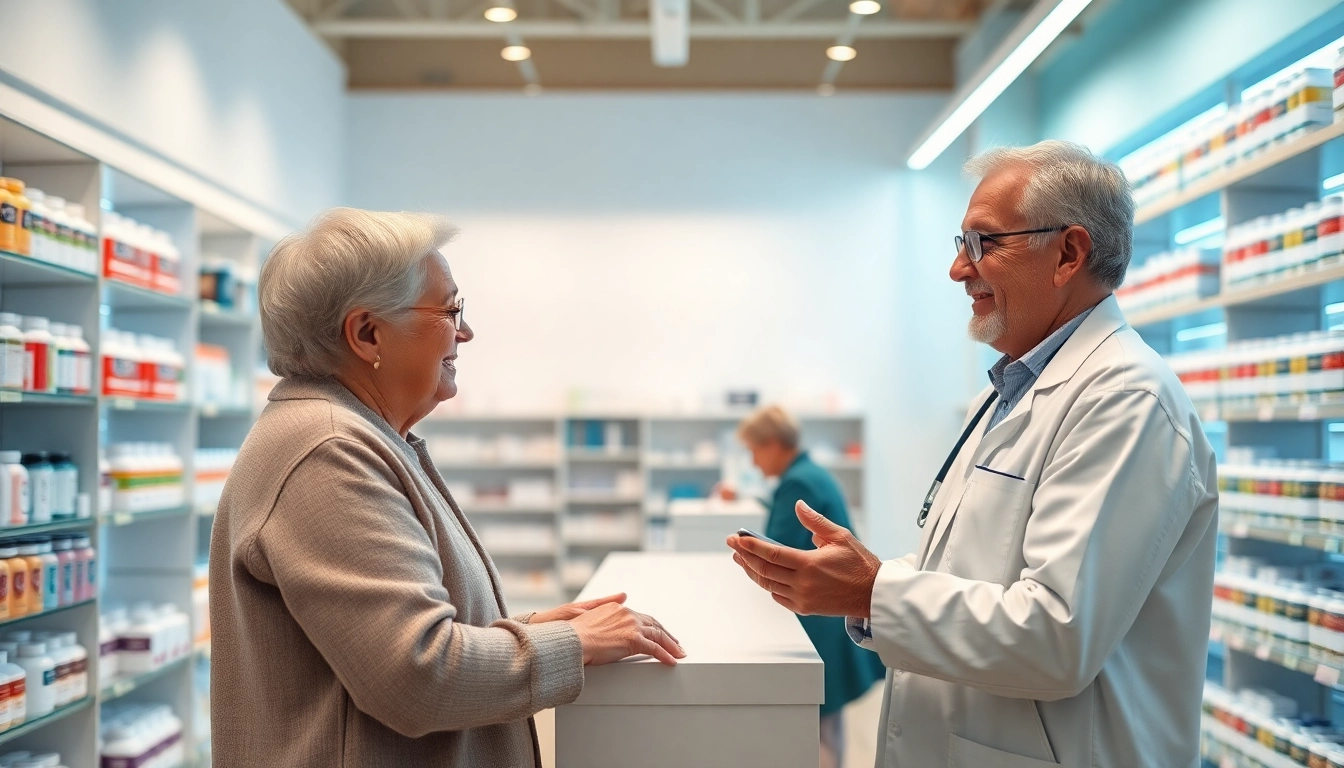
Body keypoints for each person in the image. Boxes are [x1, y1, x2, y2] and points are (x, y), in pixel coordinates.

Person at [727, 140, 1218, 767]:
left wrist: (873, 591)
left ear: (1068, 253)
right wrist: (871, 583)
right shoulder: (1019, 387)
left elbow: (1056, 635)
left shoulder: (1127, 401)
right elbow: (981, 572)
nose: (959, 270)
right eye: (960, 244)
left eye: (984, 243)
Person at [210, 208, 685, 768]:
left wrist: (520, 631)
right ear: (367, 334)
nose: (465, 331)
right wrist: (573, 645)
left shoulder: (360, 435)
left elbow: (380, 644)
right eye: (450, 309)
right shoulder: (327, 451)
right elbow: (416, 676)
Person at [734, 405, 885, 768]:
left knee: (819, 729)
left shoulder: (797, 482)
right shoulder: (808, 474)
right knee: (827, 723)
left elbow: (781, 550)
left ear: (772, 445)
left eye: (754, 452)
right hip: (833, 612)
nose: (754, 463)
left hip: (822, 620)